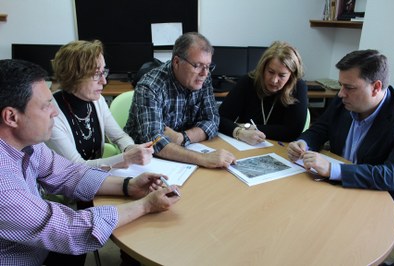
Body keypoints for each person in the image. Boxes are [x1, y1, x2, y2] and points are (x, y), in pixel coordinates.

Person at [0, 59, 180, 265]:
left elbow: (69, 174)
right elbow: (68, 230)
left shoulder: (28, 144)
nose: (54, 112)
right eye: (45, 106)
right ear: (11, 117)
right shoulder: (3, 185)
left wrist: (128, 185)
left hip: (39, 246)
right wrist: (146, 206)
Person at [287, 49, 394, 212]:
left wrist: (333, 169)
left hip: (376, 201)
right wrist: (303, 143)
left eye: (349, 87)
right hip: (334, 189)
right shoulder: (345, 101)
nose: (340, 93)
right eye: (341, 86)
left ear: (376, 87)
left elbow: (393, 175)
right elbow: (320, 128)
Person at [125, 32, 236, 168]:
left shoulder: (203, 78)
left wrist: (182, 137)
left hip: (184, 153)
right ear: (176, 62)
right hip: (144, 161)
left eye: (208, 66)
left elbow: (212, 120)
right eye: (197, 65)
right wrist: (204, 159)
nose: (204, 73)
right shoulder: (150, 87)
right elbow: (155, 142)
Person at [46, 40, 153, 170]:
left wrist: (131, 149)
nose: (104, 81)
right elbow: (76, 167)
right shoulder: (50, 114)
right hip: (66, 184)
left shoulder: (97, 100)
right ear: (73, 76)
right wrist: (125, 159)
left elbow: (119, 136)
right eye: (97, 74)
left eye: (103, 72)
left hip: (95, 178)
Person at [218, 41, 308, 145]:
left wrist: (250, 128)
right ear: (263, 68)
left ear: (291, 75)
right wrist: (240, 132)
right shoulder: (248, 82)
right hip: (245, 146)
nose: (274, 80)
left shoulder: (298, 87)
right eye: (270, 72)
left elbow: (292, 132)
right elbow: (220, 119)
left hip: (280, 149)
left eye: (282, 75)